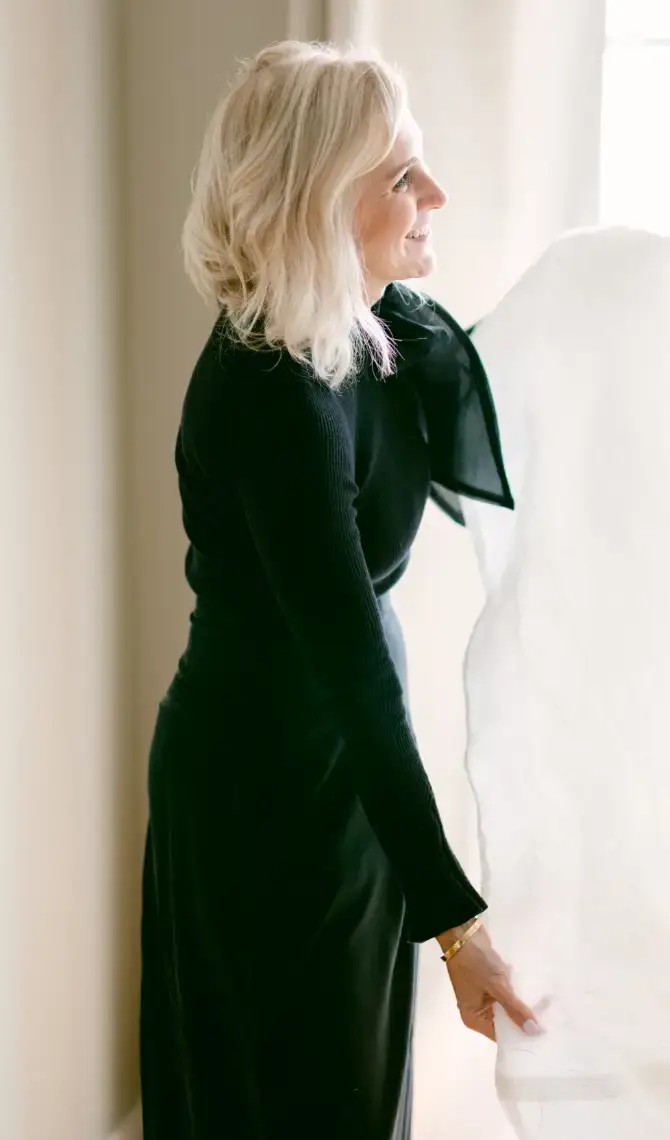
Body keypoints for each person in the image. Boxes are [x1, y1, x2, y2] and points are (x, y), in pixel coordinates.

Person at [139, 40, 538, 1140]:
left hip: (344, 776)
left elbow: (493, 427)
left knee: (353, 1099)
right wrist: (457, 926)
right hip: (258, 794)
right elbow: (352, 662)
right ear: (322, 199)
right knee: (288, 1102)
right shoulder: (272, 390)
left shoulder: (373, 329)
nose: (435, 197)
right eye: (401, 174)